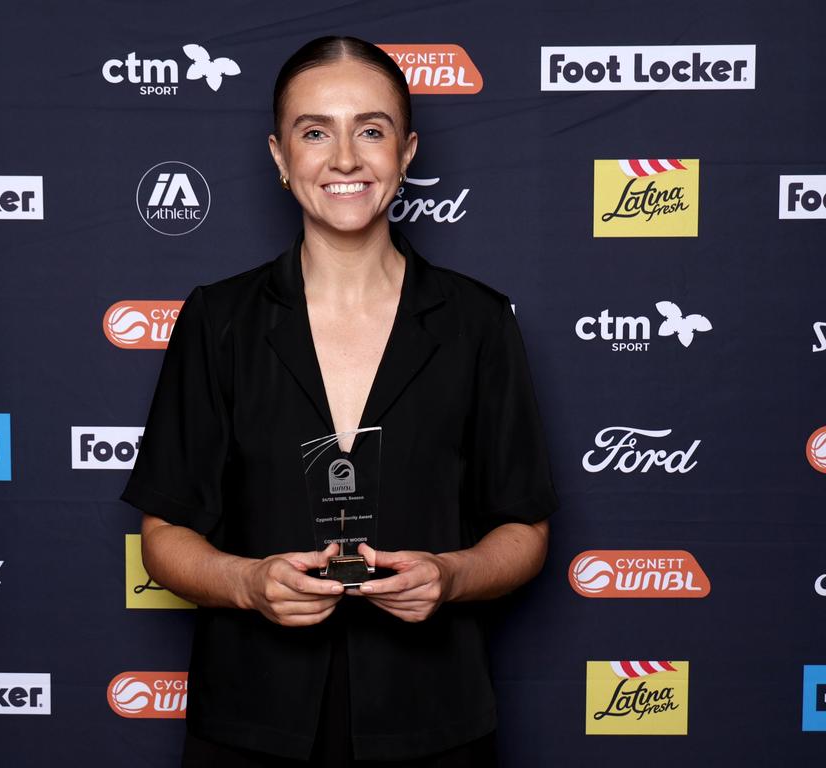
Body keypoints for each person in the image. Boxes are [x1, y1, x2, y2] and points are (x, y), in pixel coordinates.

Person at [122, 36, 557, 767]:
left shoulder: (480, 322)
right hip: (251, 719)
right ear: (279, 157)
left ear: (408, 152)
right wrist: (248, 583)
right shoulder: (217, 320)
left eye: (373, 130)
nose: (346, 157)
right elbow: (164, 536)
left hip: (432, 718)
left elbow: (525, 531)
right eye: (315, 131)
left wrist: (452, 577)